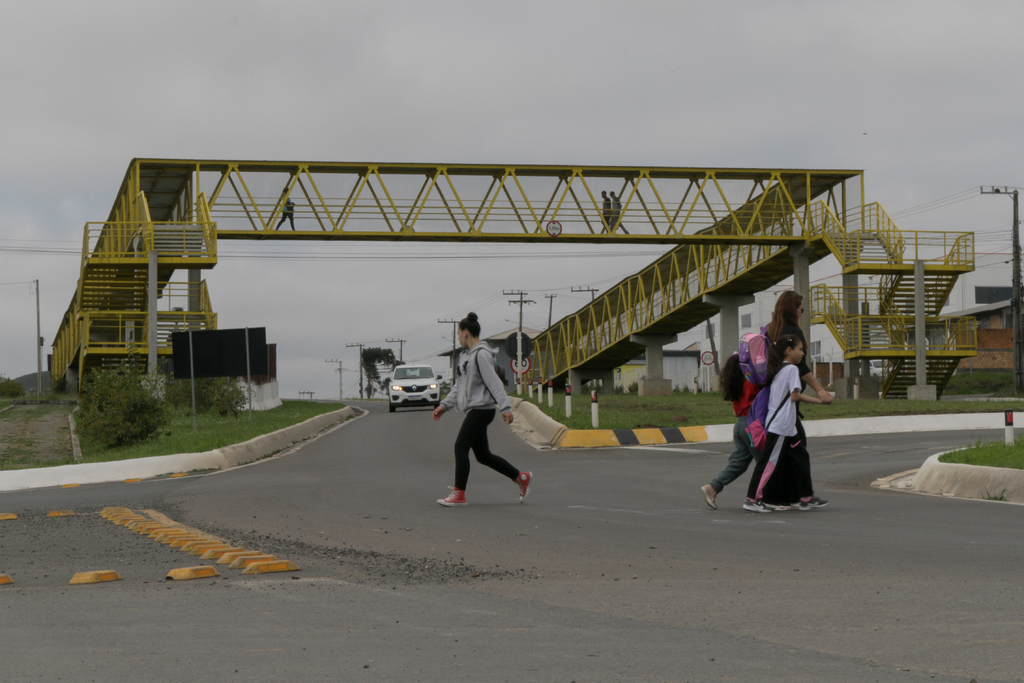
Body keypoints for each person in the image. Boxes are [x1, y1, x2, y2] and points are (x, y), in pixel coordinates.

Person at [432, 312, 532, 507]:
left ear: (466, 333)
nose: (458, 337)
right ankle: (521, 477)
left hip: (482, 410)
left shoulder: (482, 355)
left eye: (458, 333)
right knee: (483, 456)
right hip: (474, 410)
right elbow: (458, 387)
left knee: (460, 447)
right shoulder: (465, 357)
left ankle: (459, 494)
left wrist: (505, 408)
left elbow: (495, 382)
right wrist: (444, 406)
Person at [743, 335, 828, 512]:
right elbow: (795, 396)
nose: (803, 353)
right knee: (768, 463)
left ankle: (805, 497)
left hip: (787, 428)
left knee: (801, 457)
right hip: (781, 426)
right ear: (789, 351)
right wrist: (819, 401)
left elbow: (790, 396)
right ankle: (752, 499)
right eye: (800, 349)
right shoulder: (791, 370)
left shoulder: (778, 369)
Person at [700, 354, 758, 510]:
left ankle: (712, 487)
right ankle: (762, 498)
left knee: (738, 463)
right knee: (767, 463)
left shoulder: (736, 382)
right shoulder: (752, 380)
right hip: (754, 425)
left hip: (740, 425)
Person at [766, 290, 833, 405]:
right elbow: (801, 365)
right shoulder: (794, 332)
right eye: (801, 309)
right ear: (793, 310)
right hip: (789, 391)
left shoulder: (769, 330)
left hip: (774, 388)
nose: (801, 314)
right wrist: (819, 390)